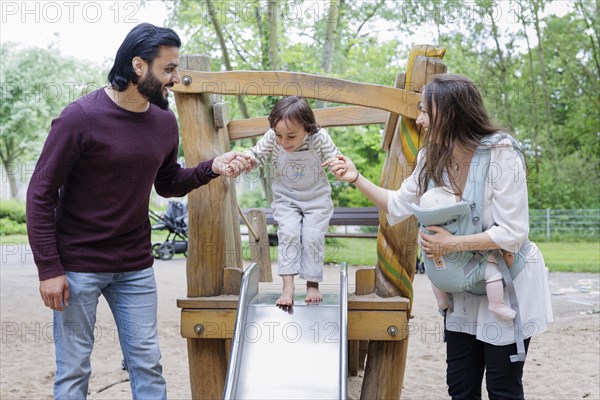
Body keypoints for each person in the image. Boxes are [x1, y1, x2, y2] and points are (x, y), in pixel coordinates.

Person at [26, 23, 251, 399]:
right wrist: (49, 268)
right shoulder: (79, 118)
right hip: (78, 266)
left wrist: (211, 166)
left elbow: (167, 182)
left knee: (147, 362)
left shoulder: (164, 122)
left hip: (135, 266)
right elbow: (40, 194)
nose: (176, 78)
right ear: (138, 66)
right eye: (168, 69)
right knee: (74, 368)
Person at [325, 74, 552, 399]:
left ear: (453, 112)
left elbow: (514, 232)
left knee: (503, 387)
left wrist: (450, 244)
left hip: (504, 281)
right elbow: (398, 204)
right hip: (461, 287)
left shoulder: (502, 154)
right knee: (460, 386)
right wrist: (355, 177)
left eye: (426, 111)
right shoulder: (431, 157)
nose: (419, 119)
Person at [240, 96, 340, 306]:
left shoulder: (319, 138)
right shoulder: (272, 138)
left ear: (307, 128)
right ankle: (288, 288)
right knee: (289, 234)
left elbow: (335, 158)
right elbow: (256, 155)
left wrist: (338, 167)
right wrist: (245, 161)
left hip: (317, 199)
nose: (284, 142)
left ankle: (312, 284)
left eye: (291, 136)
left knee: (313, 237)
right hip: (286, 197)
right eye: (279, 135)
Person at [414, 186, 516, 320]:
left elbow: (420, 244)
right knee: (492, 272)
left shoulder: (423, 230)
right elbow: (474, 242)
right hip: (462, 274)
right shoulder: (461, 226)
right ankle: (496, 304)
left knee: (433, 269)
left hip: (437, 279)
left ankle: (442, 302)